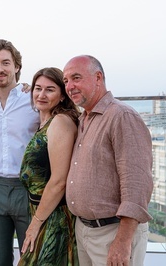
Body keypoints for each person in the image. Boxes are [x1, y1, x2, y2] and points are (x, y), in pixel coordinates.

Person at [63, 55, 153, 266]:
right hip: (84, 231)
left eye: (76, 78)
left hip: (113, 232)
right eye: (66, 80)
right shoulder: (84, 118)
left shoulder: (122, 116)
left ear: (98, 78)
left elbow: (137, 184)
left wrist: (122, 241)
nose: (70, 86)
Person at [0, 39, 39, 265]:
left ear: (17, 67)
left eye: (5, 63)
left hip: (28, 189)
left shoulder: (33, 100)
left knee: (32, 258)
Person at [18, 67, 80, 266]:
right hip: (40, 211)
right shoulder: (44, 122)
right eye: (37, 88)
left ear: (62, 95)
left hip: (54, 218)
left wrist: (36, 224)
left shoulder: (60, 122)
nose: (41, 95)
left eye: (50, 90)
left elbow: (59, 181)